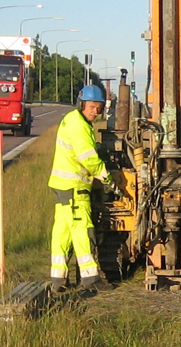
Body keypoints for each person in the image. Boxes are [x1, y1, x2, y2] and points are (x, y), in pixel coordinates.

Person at [48, 84, 120, 294]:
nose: (95, 111)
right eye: (92, 106)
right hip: (74, 189)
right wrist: (107, 178)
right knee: (82, 230)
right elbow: (88, 159)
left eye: (98, 107)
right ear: (82, 104)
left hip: (62, 187)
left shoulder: (73, 119)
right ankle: (90, 280)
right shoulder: (79, 126)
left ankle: (58, 279)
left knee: (62, 233)